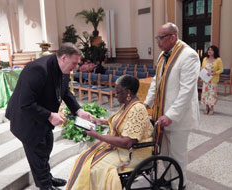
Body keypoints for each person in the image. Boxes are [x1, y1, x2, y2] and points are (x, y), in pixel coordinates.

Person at [5, 43, 93, 190]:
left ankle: (48, 177)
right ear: (64, 57)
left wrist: (79, 111)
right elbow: (25, 104)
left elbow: (65, 92)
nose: (76, 67)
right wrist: (50, 115)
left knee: (47, 147)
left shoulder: (63, 68)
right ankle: (44, 185)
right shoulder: (38, 69)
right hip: (27, 119)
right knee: (37, 154)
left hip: (42, 118)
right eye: (74, 63)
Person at [66, 75, 154, 190]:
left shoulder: (137, 109)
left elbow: (127, 142)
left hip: (133, 153)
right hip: (122, 149)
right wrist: (99, 121)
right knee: (84, 158)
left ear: (127, 92)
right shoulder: (128, 105)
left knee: (94, 169)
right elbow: (119, 122)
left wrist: (98, 136)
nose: (115, 95)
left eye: (117, 92)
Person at [144, 23, 200, 189]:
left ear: (173, 37)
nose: (157, 41)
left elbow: (187, 90)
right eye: (157, 38)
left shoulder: (189, 55)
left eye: (160, 38)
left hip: (178, 117)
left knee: (178, 154)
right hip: (162, 113)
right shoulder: (163, 55)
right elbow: (156, 81)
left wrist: (171, 115)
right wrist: (147, 102)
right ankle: (168, 180)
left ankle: (178, 185)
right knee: (165, 153)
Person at [201, 45, 223, 115]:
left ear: (215, 51)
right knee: (205, 94)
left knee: (212, 94)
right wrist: (203, 73)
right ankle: (206, 107)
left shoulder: (218, 60)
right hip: (206, 80)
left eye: (211, 50)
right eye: (208, 50)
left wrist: (214, 73)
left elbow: (221, 69)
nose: (209, 51)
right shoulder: (204, 59)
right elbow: (202, 68)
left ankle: (212, 108)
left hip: (213, 80)